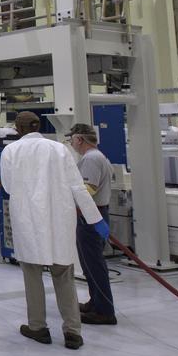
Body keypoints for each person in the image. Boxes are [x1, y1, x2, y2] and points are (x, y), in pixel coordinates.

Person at [0, 111, 106, 350]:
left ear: (18, 128)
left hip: (28, 220)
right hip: (59, 219)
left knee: (32, 275)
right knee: (63, 274)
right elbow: (78, 186)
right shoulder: (59, 149)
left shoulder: (10, 151)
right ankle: (72, 331)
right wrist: (95, 218)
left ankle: (37, 327)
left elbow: (7, 186)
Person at [69, 123, 117, 325]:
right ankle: (95, 302)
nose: (70, 143)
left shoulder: (91, 159)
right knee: (90, 263)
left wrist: (66, 196)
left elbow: (89, 189)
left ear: (79, 139)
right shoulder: (96, 157)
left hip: (91, 215)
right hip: (93, 214)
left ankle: (104, 310)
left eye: (71, 138)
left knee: (94, 263)